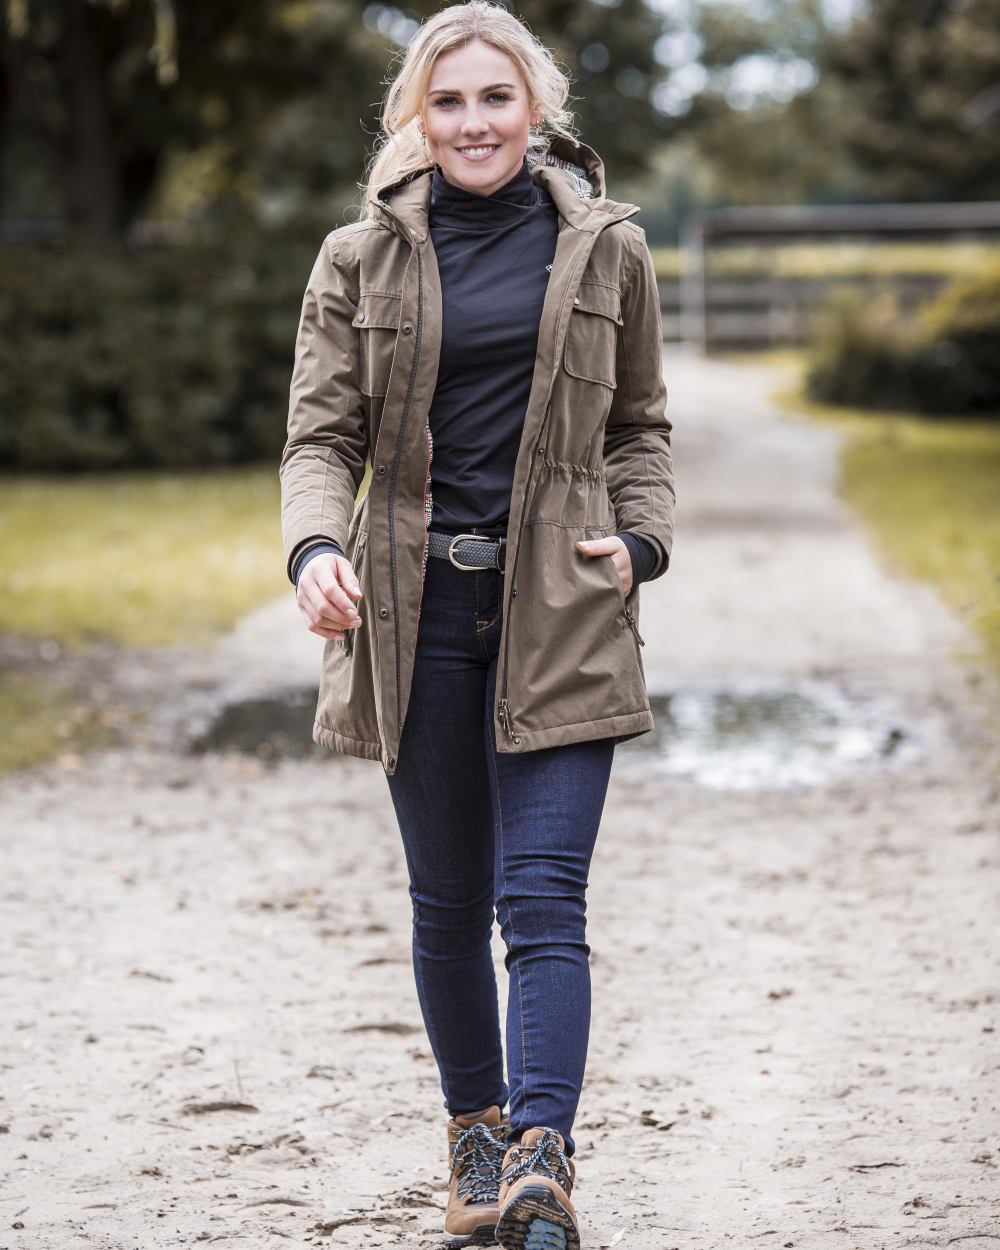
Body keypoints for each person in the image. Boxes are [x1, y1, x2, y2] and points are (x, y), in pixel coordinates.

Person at [279, 3, 675, 1246]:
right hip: (414, 610)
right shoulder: (357, 259)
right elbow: (318, 439)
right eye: (446, 101)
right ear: (416, 116)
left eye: (494, 99)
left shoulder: (608, 250)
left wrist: (644, 539)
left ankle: (541, 1160)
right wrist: (314, 546)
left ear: (536, 110)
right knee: (448, 901)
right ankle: (477, 1134)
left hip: (561, 607)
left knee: (544, 896)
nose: (472, 122)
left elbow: (641, 428)